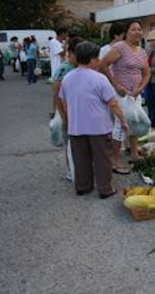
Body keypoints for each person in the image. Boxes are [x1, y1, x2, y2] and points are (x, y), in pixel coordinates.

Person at [58, 41, 129, 199]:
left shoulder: (67, 78)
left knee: (81, 159)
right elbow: (113, 103)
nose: (98, 61)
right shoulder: (100, 79)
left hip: (76, 127)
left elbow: (63, 102)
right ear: (91, 60)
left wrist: (69, 119)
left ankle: (83, 187)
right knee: (102, 159)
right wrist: (123, 120)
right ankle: (105, 189)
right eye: (97, 58)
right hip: (98, 127)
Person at [100, 20, 151, 173]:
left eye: (140, 29)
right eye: (134, 29)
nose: (137, 32)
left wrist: (141, 88)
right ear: (126, 32)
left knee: (134, 122)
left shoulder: (141, 51)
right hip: (121, 94)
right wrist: (116, 85)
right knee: (120, 126)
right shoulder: (120, 47)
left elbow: (147, 72)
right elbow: (103, 65)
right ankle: (114, 161)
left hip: (135, 95)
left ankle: (134, 154)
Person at [53, 37, 84, 182]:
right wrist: (64, 117)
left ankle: (82, 170)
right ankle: (71, 172)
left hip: (80, 112)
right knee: (70, 144)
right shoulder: (64, 69)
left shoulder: (82, 67)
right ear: (71, 52)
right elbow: (57, 95)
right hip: (68, 112)